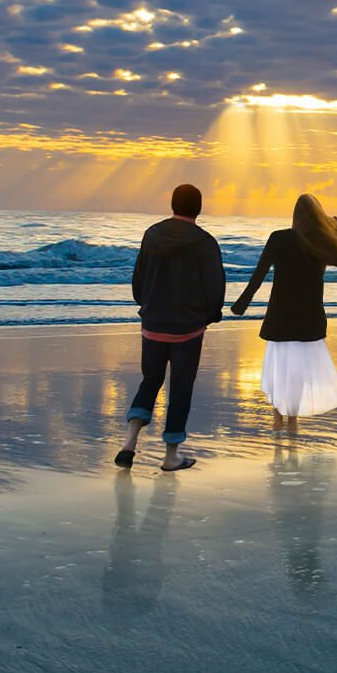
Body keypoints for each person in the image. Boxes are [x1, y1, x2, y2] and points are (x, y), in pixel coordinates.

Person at [119, 183, 224, 472]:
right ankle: (170, 456)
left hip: (152, 324)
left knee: (150, 380)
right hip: (188, 329)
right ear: (198, 209)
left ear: (172, 205)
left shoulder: (151, 235)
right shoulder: (205, 242)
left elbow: (139, 277)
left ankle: (129, 441)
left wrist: (146, 305)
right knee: (180, 388)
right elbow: (215, 285)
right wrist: (211, 314)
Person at [231, 194, 337, 431]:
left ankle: (278, 417)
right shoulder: (320, 241)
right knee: (296, 371)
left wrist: (241, 304)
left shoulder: (279, 238)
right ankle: (292, 421)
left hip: (281, 314)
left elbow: (259, 275)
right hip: (309, 315)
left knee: (280, 367)